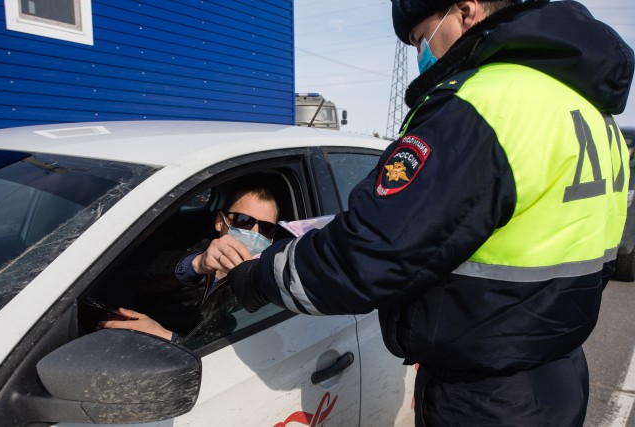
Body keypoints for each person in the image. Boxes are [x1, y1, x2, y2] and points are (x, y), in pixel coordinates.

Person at [227, 1, 634, 426]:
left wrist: (257, 275)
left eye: (422, 37)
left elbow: (366, 257)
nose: (422, 53)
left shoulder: (483, 105)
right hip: (559, 373)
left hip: (488, 399)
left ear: (466, 10)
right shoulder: (590, 114)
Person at [101, 184, 279, 341]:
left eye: (266, 228)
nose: (255, 233)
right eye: (244, 221)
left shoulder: (262, 289)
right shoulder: (188, 247)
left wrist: (168, 339)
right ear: (220, 221)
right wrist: (197, 264)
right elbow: (132, 275)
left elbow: (223, 350)